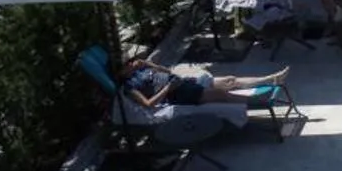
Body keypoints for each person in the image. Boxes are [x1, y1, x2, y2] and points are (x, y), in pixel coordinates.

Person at [120, 57, 288, 109]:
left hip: (183, 82)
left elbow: (168, 72)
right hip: (176, 93)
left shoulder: (141, 70)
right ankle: (261, 102)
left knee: (230, 80)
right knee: (221, 94)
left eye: (130, 61)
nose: (130, 63)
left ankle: (272, 79)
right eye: (127, 64)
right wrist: (169, 88)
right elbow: (148, 104)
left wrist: (147, 64)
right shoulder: (129, 86)